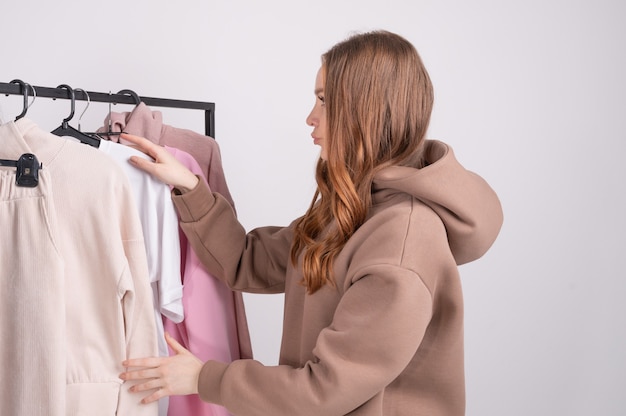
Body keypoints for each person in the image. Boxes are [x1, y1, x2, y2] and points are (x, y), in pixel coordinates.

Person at [119, 30, 503, 416]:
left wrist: (204, 379)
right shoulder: (348, 211)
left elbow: (323, 392)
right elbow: (246, 261)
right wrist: (190, 186)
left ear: (365, 110)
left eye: (324, 100)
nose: (310, 117)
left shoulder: (402, 242)